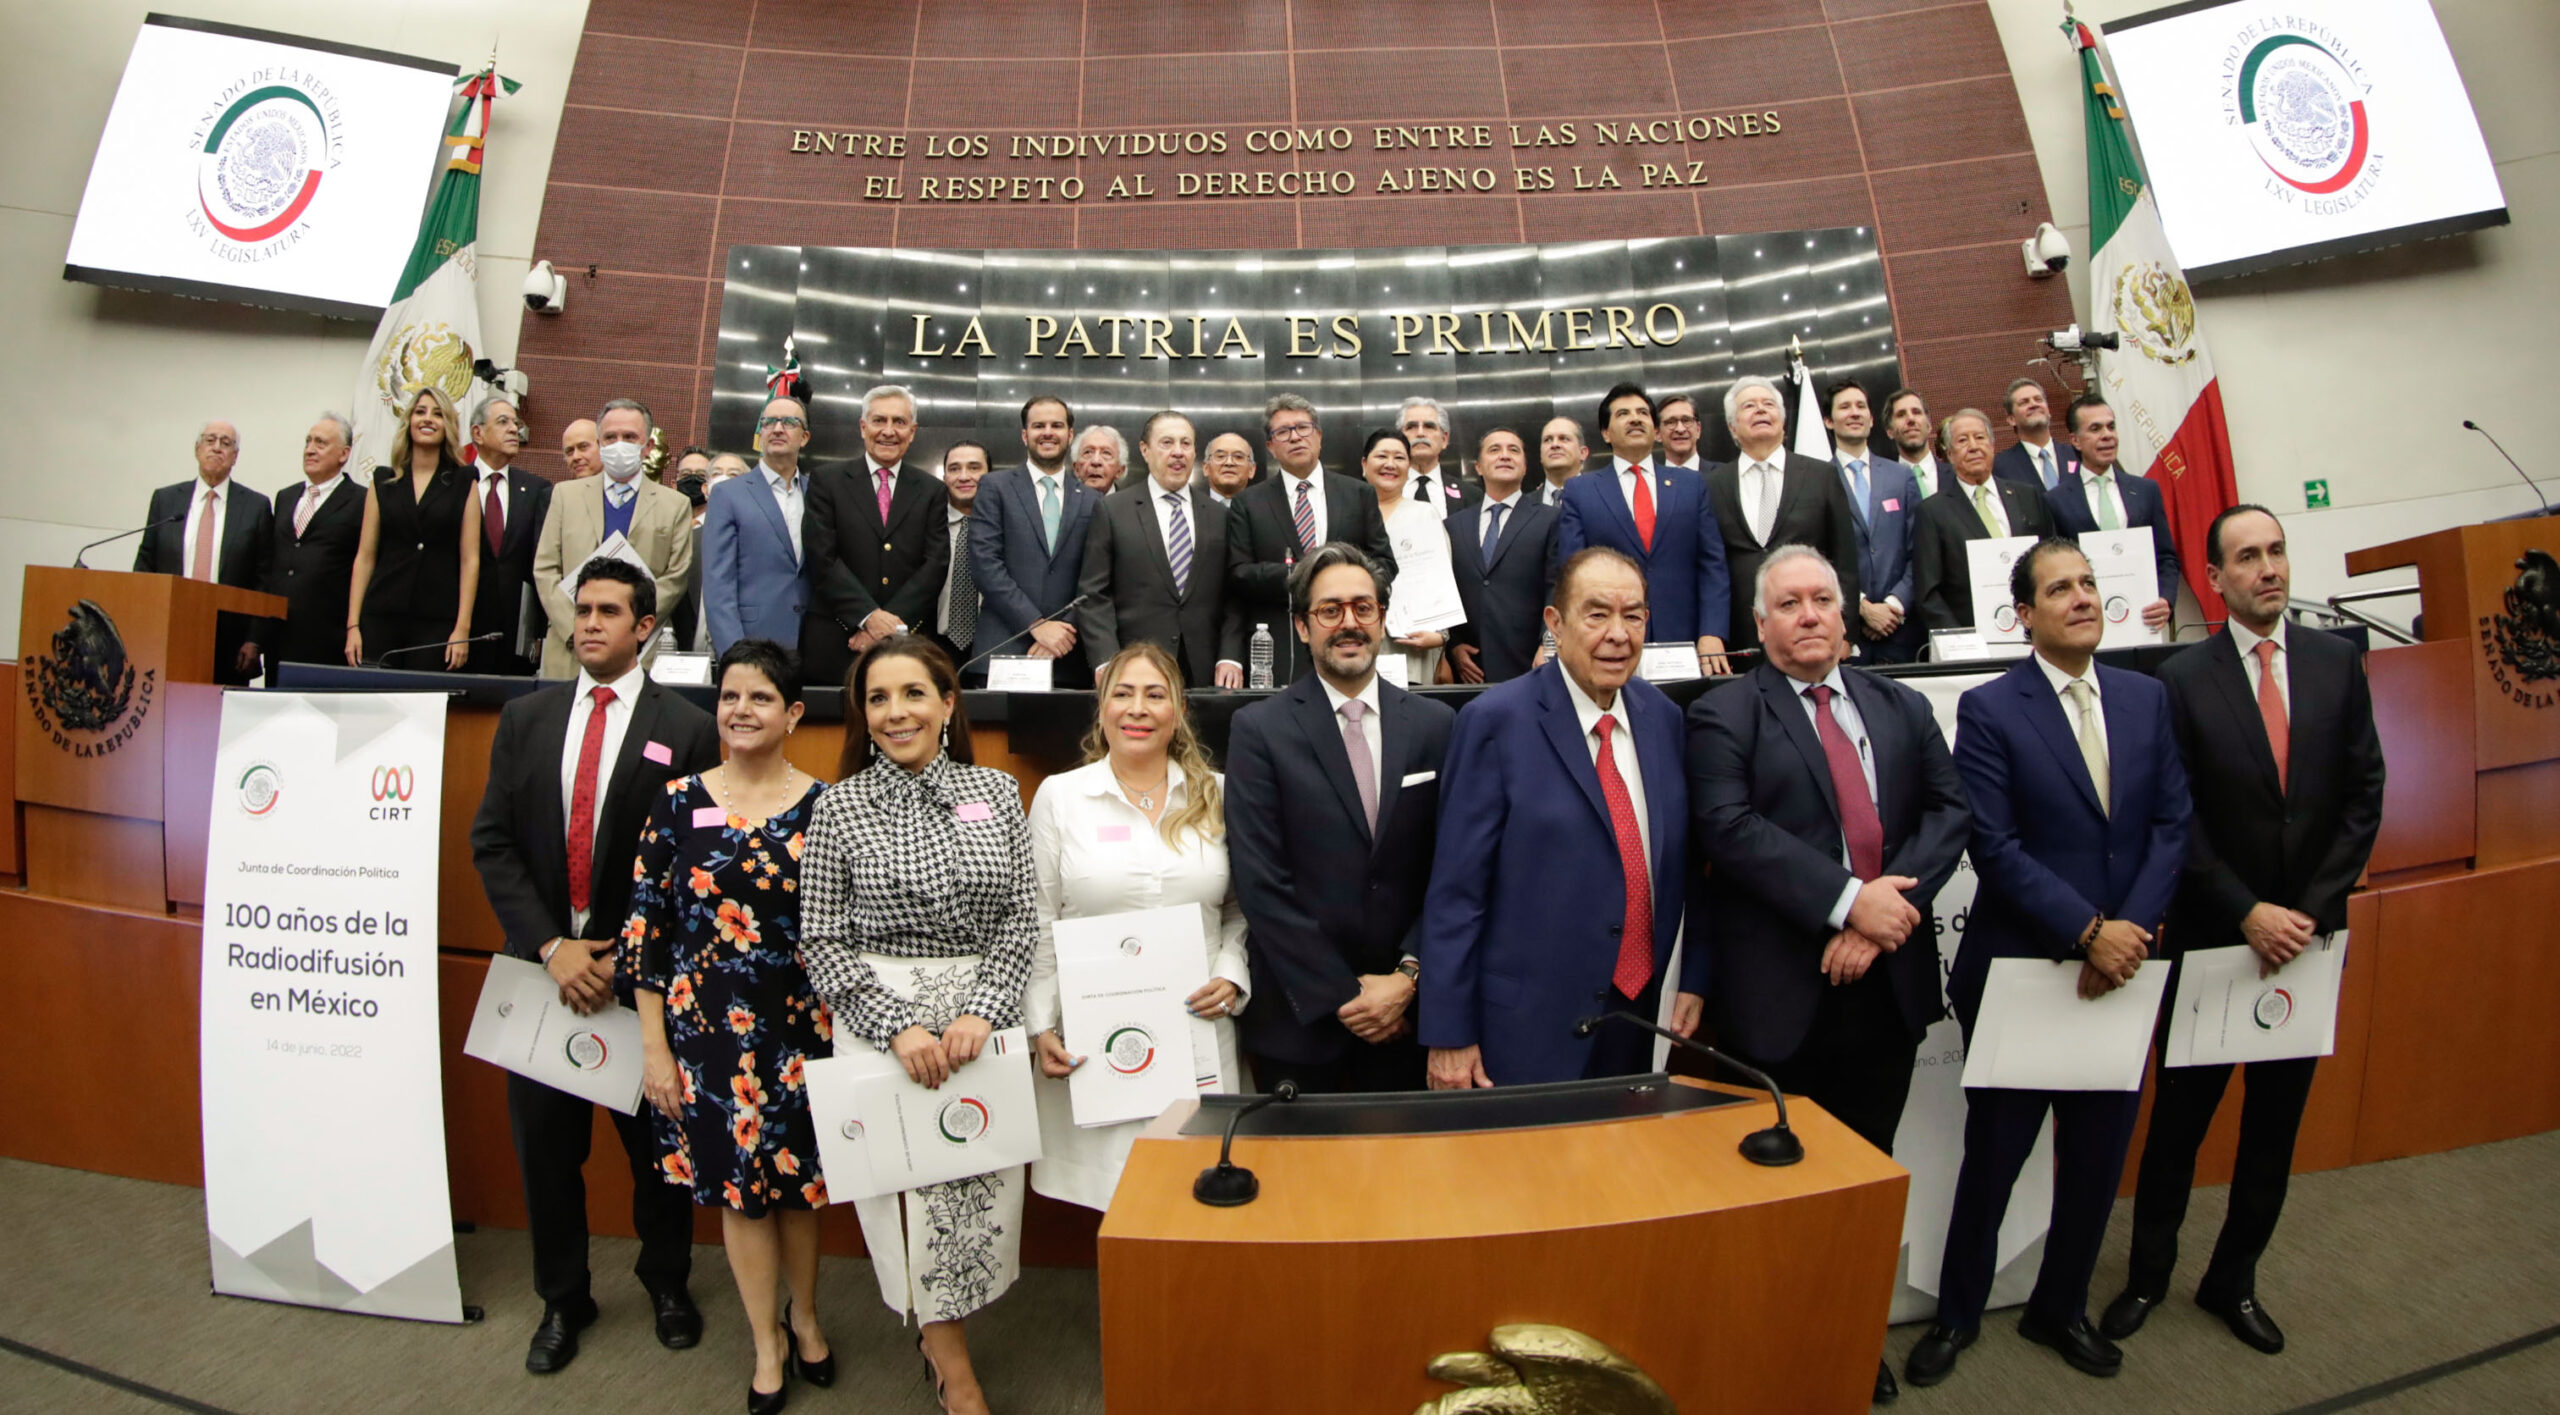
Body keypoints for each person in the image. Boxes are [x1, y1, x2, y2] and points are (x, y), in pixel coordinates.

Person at [1687, 545, 1971, 1407]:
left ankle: (1851, 1335)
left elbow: (1949, 812)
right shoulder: (1724, 712)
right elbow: (1728, 827)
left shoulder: (1900, 704)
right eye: (1789, 603)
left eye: (1822, 599)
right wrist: (1849, 902)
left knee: (1864, 1179)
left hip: (1886, 992)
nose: (1809, 614)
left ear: (1847, 616)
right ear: (1759, 622)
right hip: (1781, 1001)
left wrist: (1880, 920)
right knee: (1775, 1192)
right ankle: (1773, 1346)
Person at [1908, 538, 2191, 1390]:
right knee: (1993, 1159)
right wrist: (2087, 931)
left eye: (2089, 583)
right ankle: (1958, 1314)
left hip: (2123, 972)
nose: (2082, 598)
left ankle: (2059, 1307)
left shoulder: (2145, 697)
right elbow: (1993, 847)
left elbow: (2172, 824)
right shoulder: (1993, 708)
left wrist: (2127, 932)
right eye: (2060, 588)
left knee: (2097, 1160)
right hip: (2027, 971)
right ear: (2025, 614)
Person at [2101, 505, 2386, 1356]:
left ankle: (2234, 1278)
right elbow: (2176, 815)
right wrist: (2246, 910)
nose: (2269, 568)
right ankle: (2147, 1276)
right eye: (2248, 556)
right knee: (2179, 1126)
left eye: (2277, 551)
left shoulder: (2338, 662)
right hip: (2214, 938)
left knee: (2274, 1128)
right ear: (2215, 578)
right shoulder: (2182, 678)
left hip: (2308, 942)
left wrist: (2310, 909)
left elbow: (2364, 794)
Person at [469, 557, 722, 1374]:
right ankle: (562, 1297)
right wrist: (553, 946)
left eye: (608, 611)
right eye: (582, 609)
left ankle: (667, 1281)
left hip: (634, 983)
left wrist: (626, 954)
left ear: (645, 626)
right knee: (547, 1157)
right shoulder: (527, 718)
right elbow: (492, 842)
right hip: (544, 974)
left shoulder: (687, 727)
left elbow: (693, 863)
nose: (589, 623)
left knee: (656, 1154)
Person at [798, 634, 1037, 1415]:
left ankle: (947, 1334)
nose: (895, 712)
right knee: (904, 1199)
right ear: (861, 714)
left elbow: (1021, 917)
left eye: (912, 693)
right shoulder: (838, 806)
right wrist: (896, 1025)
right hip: (881, 1027)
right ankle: (951, 1364)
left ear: (947, 703)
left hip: (978, 1028)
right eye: (877, 698)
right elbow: (821, 938)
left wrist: (982, 1008)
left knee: (970, 1195)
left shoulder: (996, 791)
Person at [624, 639, 834, 1412]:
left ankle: (805, 1316)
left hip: (802, 1032)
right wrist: (655, 1049)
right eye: (730, 696)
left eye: (760, 697)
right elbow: (645, 932)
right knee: (739, 1193)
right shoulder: (678, 801)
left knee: (799, 1189)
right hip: (705, 1040)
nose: (741, 710)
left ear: (794, 713)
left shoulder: (825, 806)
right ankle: (765, 1341)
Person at [1421, 548, 1702, 1087]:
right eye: (1597, 614)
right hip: (1526, 1031)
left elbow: (1685, 866)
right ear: (1555, 622)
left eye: (1633, 616)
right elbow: (1457, 893)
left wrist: (1693, 977)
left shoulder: (1665, 720)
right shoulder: (1494, 722)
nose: (1618, 634)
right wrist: (1449, 1032)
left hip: (1642, 1019)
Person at [1025, 644, 1250, 1205]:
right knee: (1114, 1200)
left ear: (1179, 710)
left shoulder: (1219, 794)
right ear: (1101, 707)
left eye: (1155, 695)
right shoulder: (1061, 796)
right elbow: (1040, 916)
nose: (1138, 708)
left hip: (1198, 1026)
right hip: (1093, 1036)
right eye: (1123, 694)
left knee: (1197, 1189)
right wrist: (1040, 1024)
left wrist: (1231, 971)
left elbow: (1241, 906)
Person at [1226, 544, 1454, 1093]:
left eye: (1362, 607)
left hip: (1412, 1020)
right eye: (1330, 610)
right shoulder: (1259, 730)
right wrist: (1347, 996)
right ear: (1302, 627)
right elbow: (1261, 882)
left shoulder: (1436, 724)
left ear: (1382, 618)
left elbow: (1453, 870)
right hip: (1300, 1025)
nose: (1349, 623)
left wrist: (1407, 978)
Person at [1555, 384, 1731, 672]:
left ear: (1655, 429)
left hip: (1687, 642)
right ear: (1606, 433)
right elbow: (1572, 573)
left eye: (1642, 413)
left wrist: (1712, 632)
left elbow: (1712, 564)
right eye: (1623, 414)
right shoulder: (1580, 491)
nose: (1635, 419)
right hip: (1609, 641)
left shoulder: (1691, 484)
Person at [1226, 395, 1397, 683]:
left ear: (1318, 436)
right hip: (1278, 646)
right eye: (1283, 432)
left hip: (1348, 638)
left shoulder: (1358, 494)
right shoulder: (1249, 502)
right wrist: (1302, 575)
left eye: (1303, 428)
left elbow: (1385, 564)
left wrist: (1339, 582)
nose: (1295, 437)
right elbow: (1239, 574)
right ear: (1270, 446)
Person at [798, 384, 950, 688]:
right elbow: (821, 556)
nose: (888, 431)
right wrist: (867, 616)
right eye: (879, 420)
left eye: (899, 422)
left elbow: (935, 564)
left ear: (912, 431)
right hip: (836, 639)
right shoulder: (826, 481)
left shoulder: (932, 490)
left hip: (907, 641)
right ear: (863, 427)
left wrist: (888, 625)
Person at [1078, 412, 1243, 691]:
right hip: (1133, 666)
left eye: (1185, 443)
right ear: (1145, 450)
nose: (1178, 452)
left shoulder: (1219, 515)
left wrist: (1230, 656)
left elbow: (1234, 593)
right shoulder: (1112, 510)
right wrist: (1106, 659)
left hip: (1206, 669)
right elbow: (1093, 594)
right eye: (1167, 443)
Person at [532, 399, 695, 679]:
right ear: (599, 443)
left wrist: (630, 627)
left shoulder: (675, 505)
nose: (619, 444)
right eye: (610, 437)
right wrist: (576, 628)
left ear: (648, 446)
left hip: (639, 651)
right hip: (570, 650)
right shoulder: (565, 496)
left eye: (629, 437)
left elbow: (675, 577)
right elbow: (545, 569)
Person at [1706, 374, 1863, 659]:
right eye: (1749, 406)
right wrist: (1712, 633)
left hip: (1811, 630)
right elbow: (1708, 566)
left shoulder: (1822, 476)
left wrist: (1846, 633)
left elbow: (1845, 560)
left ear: (1783, 420)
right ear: (1732, 427)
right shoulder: (1712, 484)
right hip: (1740, 639)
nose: (1760, 410)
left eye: (1768, 404)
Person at [344, 386, 482, 671]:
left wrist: (462, 628)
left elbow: (470, 560)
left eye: (437, 414)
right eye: (420, 412)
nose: (427, 419)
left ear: (448, 425)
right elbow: (365, 557)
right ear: (408, 422)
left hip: (437, 624)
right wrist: (353, 625)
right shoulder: (383, 481)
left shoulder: (464, 481)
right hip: (380, 617)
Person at [971, 401, 1101, 686]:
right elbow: (985, 564)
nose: (1048, 432)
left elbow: (1097, 578)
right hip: (1003, 647)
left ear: (1070, 434)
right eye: (1038, 425)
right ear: (1024, 434)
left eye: (1057, 425)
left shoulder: (1093, 500)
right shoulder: (994, 487)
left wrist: (1064, 629)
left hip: (1068, 654)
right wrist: (1036, 625)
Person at [136, 420, 275, 685]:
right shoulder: (166, 500)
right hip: (168, 630)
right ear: (197, 449)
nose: (217, 448)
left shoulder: (255, 506)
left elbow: (264, 579)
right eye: (210, 440)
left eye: (226, 443)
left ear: (235, 456)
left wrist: (254, 639)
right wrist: (144, 623)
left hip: (229, 641)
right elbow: (145, 564)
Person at [1913, 409, 2058, 637]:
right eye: (1962, 440)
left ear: (1992, 445)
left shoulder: (2027, 496)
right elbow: (1928, 593)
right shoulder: (1932, 512)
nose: (1973, 446)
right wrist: (1963, 641)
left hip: (2038, 632)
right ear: (1949, 453)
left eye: (1980, 437)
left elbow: (2052, 560)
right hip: (1973, 639)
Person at [2045, 396, 2177, 633]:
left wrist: (2166, 600)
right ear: (2075, 440)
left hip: (2144, 621)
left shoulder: (2146, 490)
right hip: (2085, 624)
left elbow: (2166, 556)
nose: (2107, 435)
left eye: (2111, 426)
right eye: (2095, 429)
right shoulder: (2056, 500)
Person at [703, 398, 815, 659]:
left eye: (789, 422)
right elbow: (718, 586)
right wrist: (734, 655)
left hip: (813, 647)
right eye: (768, 422)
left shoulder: (818, 493)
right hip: (753, 645)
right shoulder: (728, 495)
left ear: (805, 437)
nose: (777, 429)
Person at [1447, 426, 1559, 685]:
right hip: (1471, 670)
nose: (1505, 455)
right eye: (1494, 450)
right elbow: (1445, 591)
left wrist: (1549, 643)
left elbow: (1558, 586)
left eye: (1514, 450)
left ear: (1525, 466)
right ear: (1478, 467)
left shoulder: (1550, 519)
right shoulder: (1454, 525)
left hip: (1531, 663)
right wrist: (1453, 646)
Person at [1826, 380, 1926, 664]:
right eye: (1845, 407)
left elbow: (1920, 551)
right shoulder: (1818, 480)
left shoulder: (1901, 477)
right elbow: (1821, 556)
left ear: (1871, 419)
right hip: (1848, 634)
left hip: (1902, 630)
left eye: (1861, 406)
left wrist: (1893, 606)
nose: (1854, 412)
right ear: (1829, 421)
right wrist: (1862, 608)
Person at [261, 414, 361, 679]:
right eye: (308, 441)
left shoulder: (361, 500)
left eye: (320, 443)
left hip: (329, 639)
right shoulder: (286, 497)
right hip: (279, 638)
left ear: (344, 453)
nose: (309, 449)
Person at [467, 396, 552, 675]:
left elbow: (540, 564)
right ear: (478, 433)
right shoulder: (456, 482)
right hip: (461, 629)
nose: (514, 429)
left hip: (514, 632)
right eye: (503, 422)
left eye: (516, 423)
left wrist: (538, 631)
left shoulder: (537, 489)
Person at [1360, 428, 1451, 685]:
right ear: (1364, 464)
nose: (1390, 464)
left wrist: (1441, 636)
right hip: (1356, 639)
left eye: (1399, 458)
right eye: (1382, 456)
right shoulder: (1346, 513)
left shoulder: (1424, 513)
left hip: (1412, 642)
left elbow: (1442, 581)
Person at [931, 440, 987, 671]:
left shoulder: (1008, 526)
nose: (964, 476)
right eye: (954, 469)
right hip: (933, 645)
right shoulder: (926, 523)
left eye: (974, 468)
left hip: (991, 644)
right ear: (944, 477)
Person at [666, 445, 716, 653]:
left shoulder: (721, 532)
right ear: (674, 483)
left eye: (701, 475)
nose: (693, 480)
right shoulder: (663, 529)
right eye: (686, 475)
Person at [1993, 378, 2076, 491]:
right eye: (2024, 402)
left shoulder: (2076, 455)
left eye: (2038, 399)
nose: (2033, 404)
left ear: (2048, 411)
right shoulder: (2000, 467)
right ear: (2012, 419)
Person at [1398, 396, 1472, 520]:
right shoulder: (1380, 491)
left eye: (1429, 426)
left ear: (1444, 439)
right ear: (1399, 439)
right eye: (1411, 427)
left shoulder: (1470, 495)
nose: (1420, 433)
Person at [1883, 388, 1942, 498]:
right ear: (1889, 432)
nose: (1910, 419)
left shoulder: (1957, 475)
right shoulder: (1882, 485)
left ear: (1929, 426)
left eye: (1916, 412)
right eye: (1901, 415)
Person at [1535, 415, 1587, 508]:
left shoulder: (1604, 497)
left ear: (1582, 453)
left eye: (1564, 438)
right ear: (1540, 454)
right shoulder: (1522, 505)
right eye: (1548, 440)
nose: (1554, 445)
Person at [1654, 393, 1705, 473]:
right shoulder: (1649, 478)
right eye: (1671, 422)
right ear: (1657, 433)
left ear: (1698, 429)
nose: (1680, 429)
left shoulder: (1724, 475)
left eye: (1686, 420)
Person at [1201, 432, 1257, 504]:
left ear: (1251, 469)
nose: (1229, 463)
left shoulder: (1265, 507)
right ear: (1206, 468)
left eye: (1238, 457)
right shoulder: (1191, 506)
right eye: (1221, 456)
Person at [1072, 423, 1128, 493]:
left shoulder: (1131, 500)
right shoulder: (1063, 499)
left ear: (1120, 470)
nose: (1095, 461)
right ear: (1076, 468)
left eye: (1106, 453)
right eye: (1088, 452)